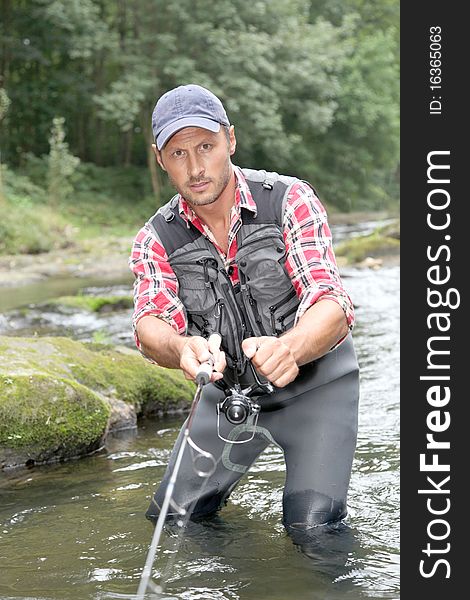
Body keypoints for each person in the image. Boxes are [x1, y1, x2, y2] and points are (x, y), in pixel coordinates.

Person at [129, 84, 359, 536]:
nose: (195, 167)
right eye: (178, 154)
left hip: (318, 386)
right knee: (173, 522)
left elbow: (331, 301)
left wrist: (289, 348)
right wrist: (180, 348)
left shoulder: (290, 199)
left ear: (230, 140)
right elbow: (148, 325)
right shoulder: (155, 238)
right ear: (160, 160)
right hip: (228, 398)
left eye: (206, 147)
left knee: (312, 530)